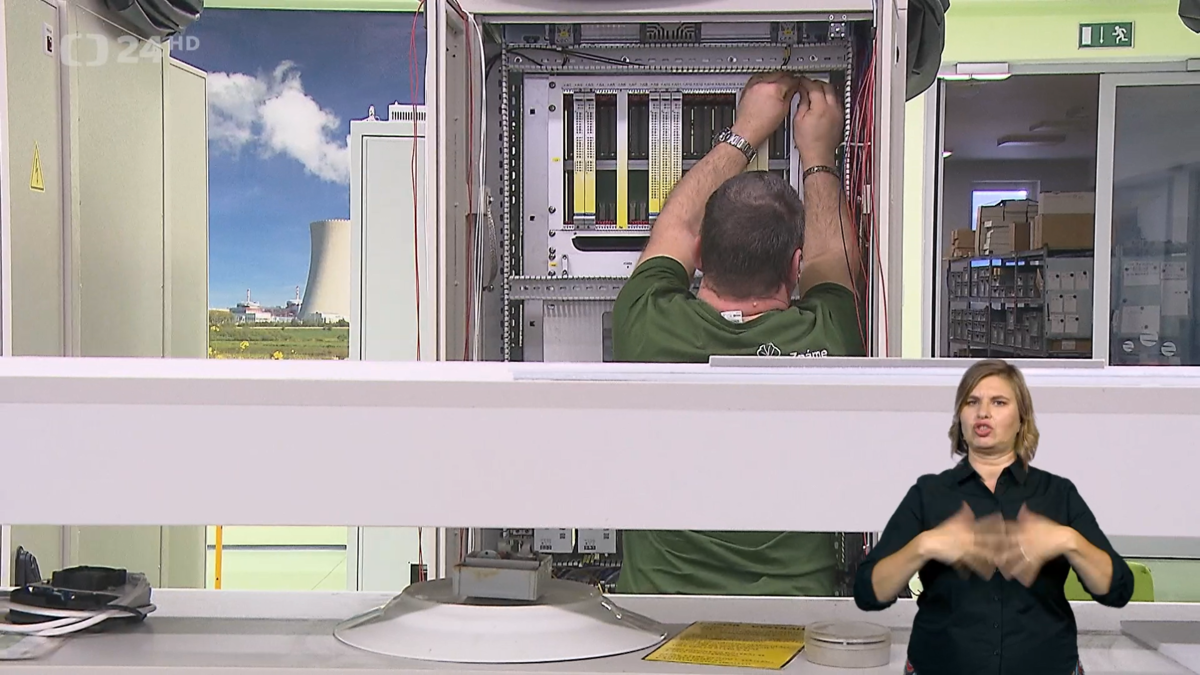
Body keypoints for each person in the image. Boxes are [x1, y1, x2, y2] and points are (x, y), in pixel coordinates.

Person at [610, 71, 864, 596]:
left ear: (701, 256)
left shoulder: (647, 324)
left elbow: (678, 227)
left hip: (660, 622)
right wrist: (818, 156)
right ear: (794, 267)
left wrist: (745, 131)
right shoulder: (830, 337)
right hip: (796, 624)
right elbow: (832, 259)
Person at [853, 359, 1134, 675]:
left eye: (998, 402)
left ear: (1021, 419)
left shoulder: (1057, 493)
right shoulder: (929, 493)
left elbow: (1117, 591)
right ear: (960, 417)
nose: (982, 412)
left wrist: (1068, 541)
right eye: (972, 402)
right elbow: (868, 593)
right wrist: (925, 545)